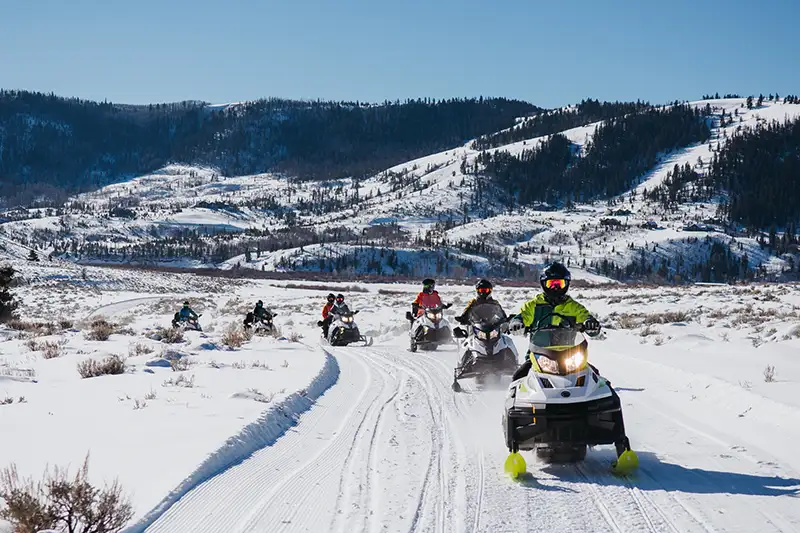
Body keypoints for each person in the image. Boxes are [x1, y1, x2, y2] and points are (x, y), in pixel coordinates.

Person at [509, 263, 601, 380]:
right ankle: (512, 397)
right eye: (551, 284)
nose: (556, 287)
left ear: (566, 284)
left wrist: (591, 324)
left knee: (596, 378)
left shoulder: (574, 307)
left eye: (560, 283)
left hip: (570, 356)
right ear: (544, 284)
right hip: (539, 356)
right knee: (519, 377)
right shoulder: (534, 305)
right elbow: (523, 315)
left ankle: (606, 398)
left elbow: (585, 317)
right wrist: (517, 322)